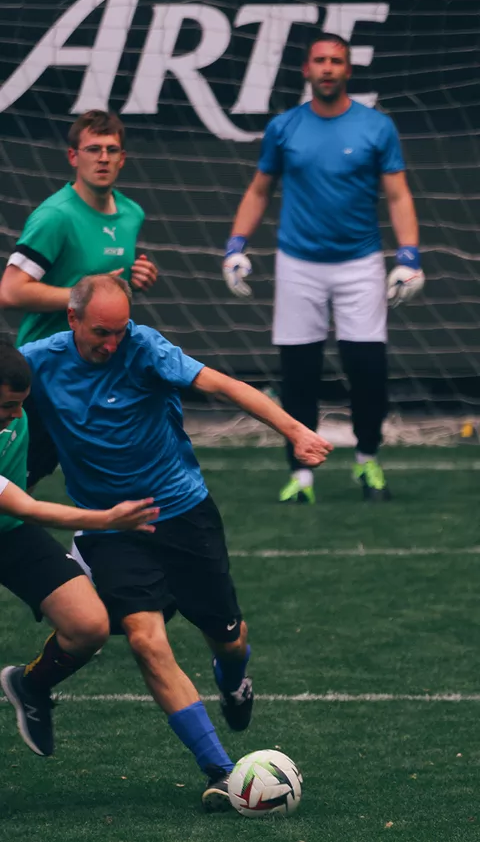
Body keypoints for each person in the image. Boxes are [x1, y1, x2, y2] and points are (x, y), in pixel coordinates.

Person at [19, 274, 332, 809]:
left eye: (121, 330)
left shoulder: (146, 348)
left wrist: (295, 430)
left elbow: (226, 387)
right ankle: (220, 770)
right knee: (146, 640)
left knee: (228, 638)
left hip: (184, 514)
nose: (113, 343)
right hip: (111, 527)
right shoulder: (37, 362)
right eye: (101, 332)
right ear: (71, 320)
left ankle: (233, 680)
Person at [222, 32, 424, 503]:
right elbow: (259, 190)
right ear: (306, 70)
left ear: (348, 71)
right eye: (320, 60)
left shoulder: (376, 127)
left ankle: (367, 462)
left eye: (337, 61)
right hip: (298, 266)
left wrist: (409, 255)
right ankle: (302, 475)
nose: (328, 68)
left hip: (361, 265)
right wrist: (235, 245)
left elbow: (398, 195)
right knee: (299, 374)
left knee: (368, 370)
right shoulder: (284, 127)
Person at [0, 340, 161, 760]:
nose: (16, 415)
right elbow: (28, 505)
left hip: (9, 533)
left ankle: (30, 685)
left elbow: (22, 498)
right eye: (6, 406)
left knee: (89, 625)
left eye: (21, 404)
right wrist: (108, 519)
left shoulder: (17, 415)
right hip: (17, 515)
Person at [0, 109, 158, 489]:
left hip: (96, 369)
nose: (102, 158)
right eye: (92, 149)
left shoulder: (131, 213)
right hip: (45, 369)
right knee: (20, 478)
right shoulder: (55, 217)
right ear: (74, 156)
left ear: (123, 158)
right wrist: (85, 294)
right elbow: (10, 290)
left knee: (110, 471)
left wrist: (138, 277)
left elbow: (109, 284)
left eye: (111, 149)